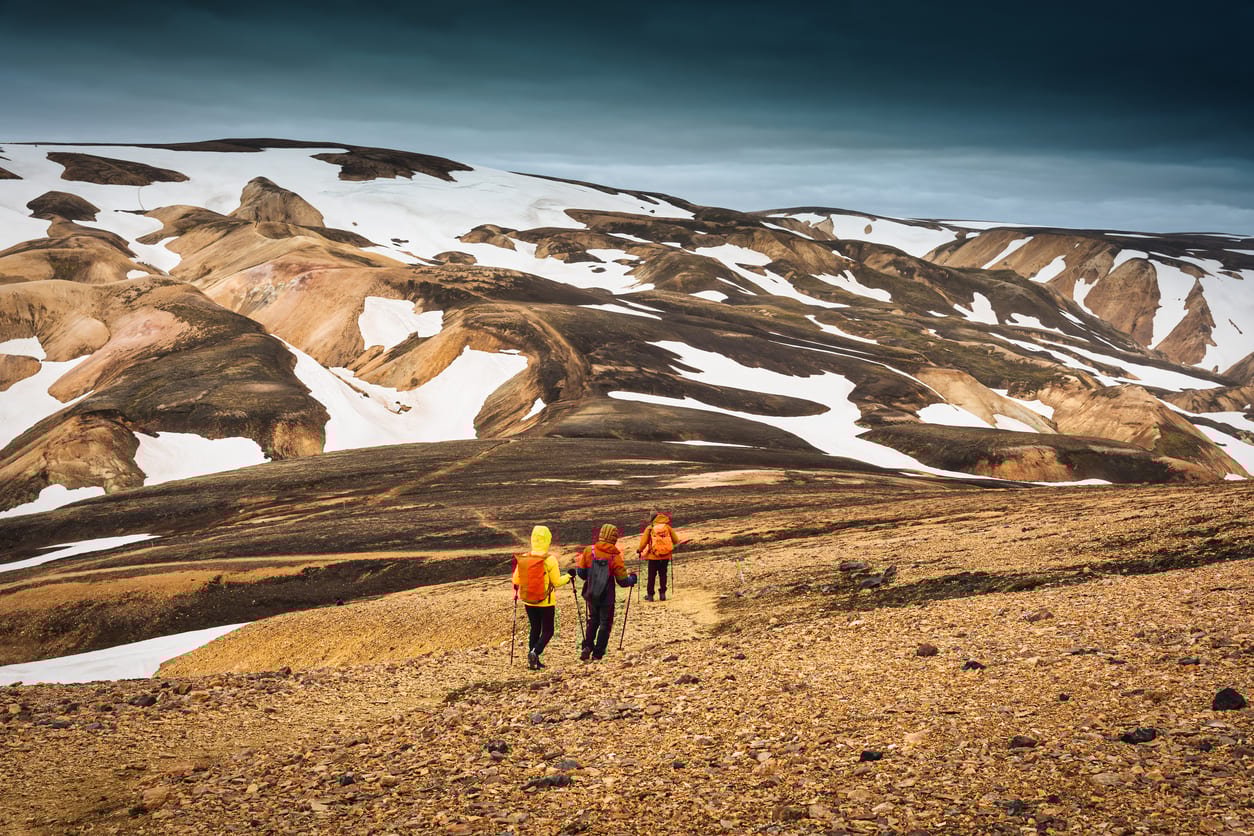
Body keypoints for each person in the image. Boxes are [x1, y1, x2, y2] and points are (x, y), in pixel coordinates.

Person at [574, 524, 637, 661]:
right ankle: (598, 653)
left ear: (601, 534)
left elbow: (582, 573)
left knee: (593, 620)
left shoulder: (589, 551)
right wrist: (632, 579)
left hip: (591, 594)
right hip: (607, 596)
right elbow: (622, 581)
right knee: (605, 623)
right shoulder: (615, 556)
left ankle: (587, 646)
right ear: (614, 538)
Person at [512, 524, 571, 670]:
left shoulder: (524, 558)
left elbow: (516, 580)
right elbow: (557, 582)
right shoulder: (550, 560)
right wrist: (569, 576)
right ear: (547, 540)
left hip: (528, 600)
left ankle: (533, 661)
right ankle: (535, 652)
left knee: (535, 629)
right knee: (548, 631)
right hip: (546, 602)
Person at [637, 512, 684, 601]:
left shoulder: (650, 528)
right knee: (663, 575)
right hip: (666, 556)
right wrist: (670, 548)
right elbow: (676, 541)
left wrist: (639, 550)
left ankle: (650, 595)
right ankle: (662, 594)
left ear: (652, 519)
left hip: (653, 556)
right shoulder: (667, 527)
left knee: (651, 576)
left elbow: (643, 542)